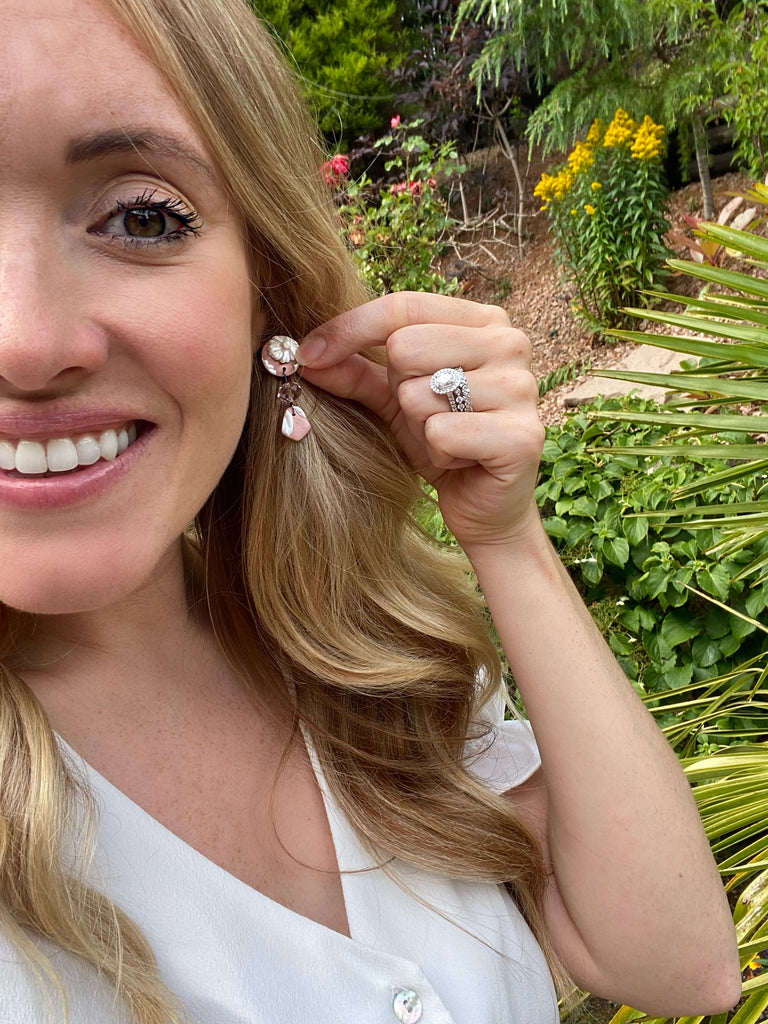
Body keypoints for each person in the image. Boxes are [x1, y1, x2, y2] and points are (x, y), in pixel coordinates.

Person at [0, 0, 742, 1021]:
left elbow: (678, 963)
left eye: (141, 216)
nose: (28, 340)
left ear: (268, 290)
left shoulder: (352, 653)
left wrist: (507, 538)